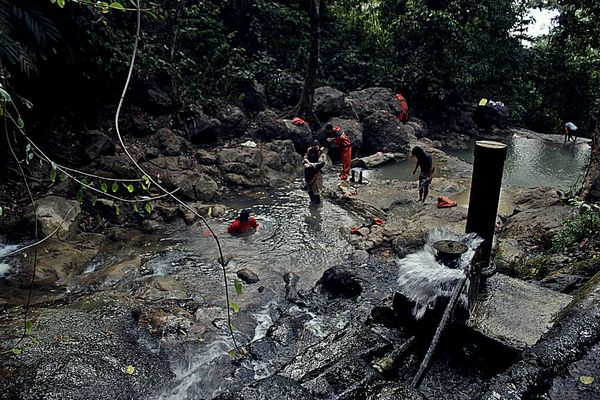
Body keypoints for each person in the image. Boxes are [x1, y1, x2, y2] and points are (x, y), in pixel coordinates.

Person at [303, 139, 327, 205]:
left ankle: (318, 206)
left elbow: (322, 163)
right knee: (309, 190)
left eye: (316, 145)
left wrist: (310, 165)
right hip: (308, 174)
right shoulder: (309, 150)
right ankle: (312, 204)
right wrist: (305, 162)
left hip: (317, 174)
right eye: (313, 145)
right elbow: (305, 158)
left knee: (316, 192)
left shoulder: (321, 153)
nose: (315, 147)